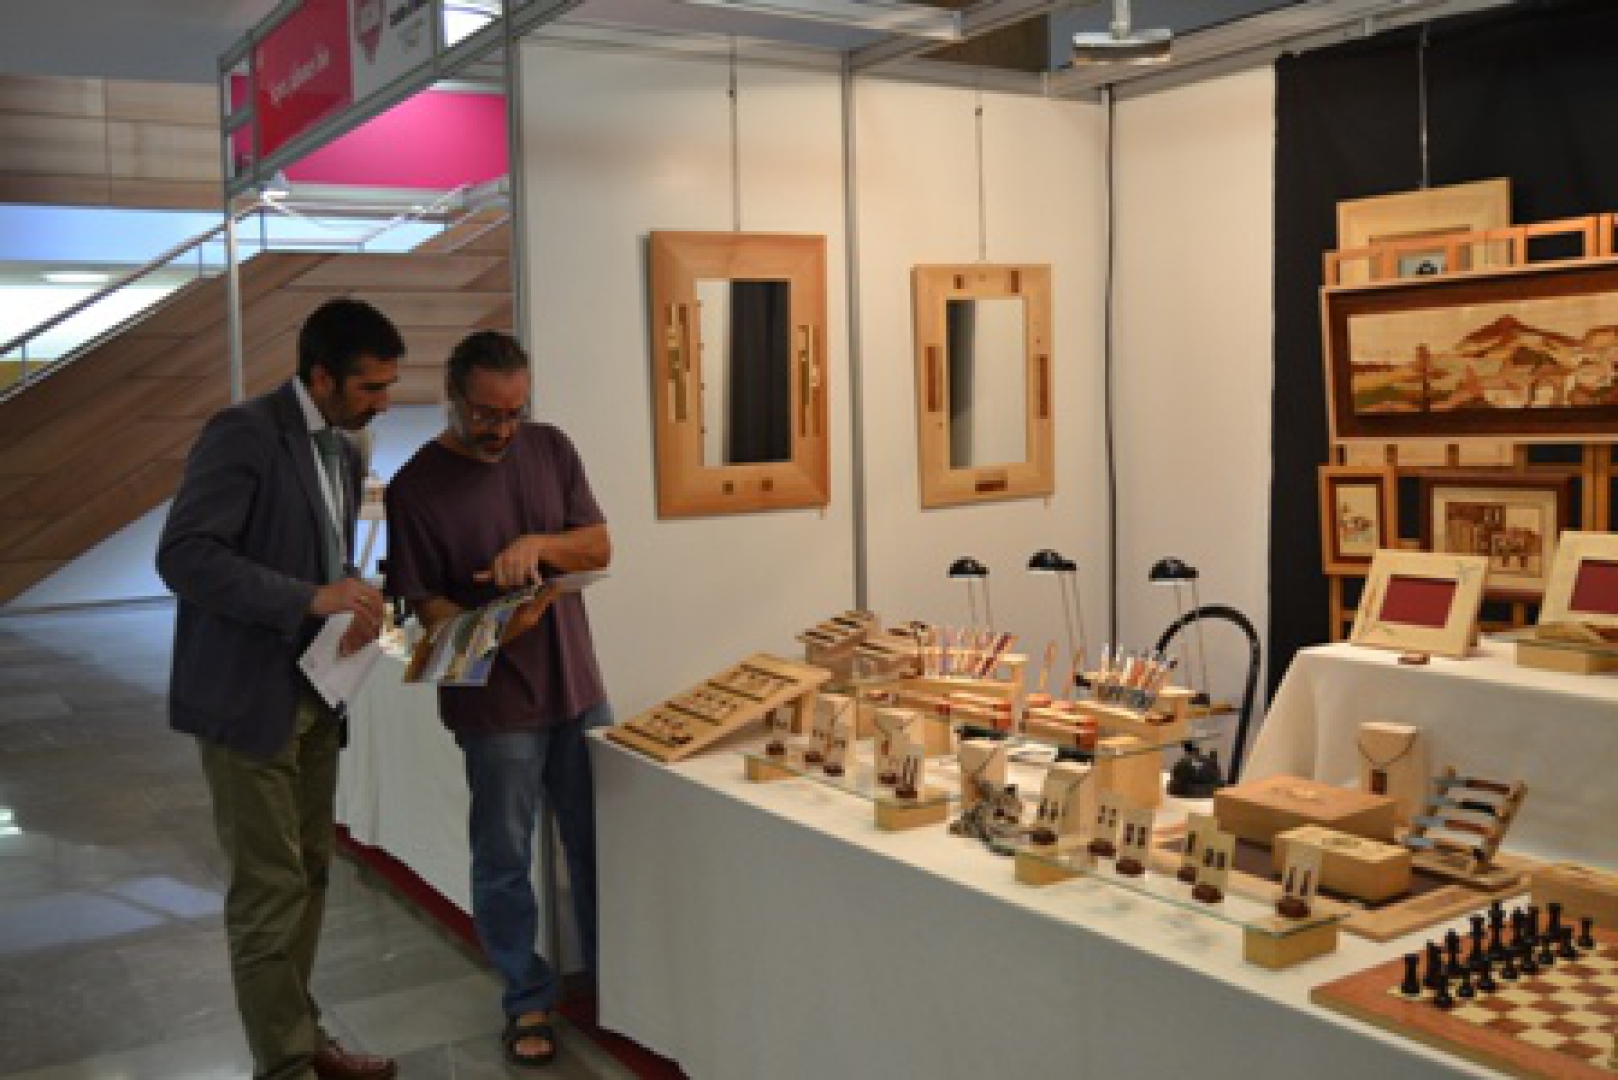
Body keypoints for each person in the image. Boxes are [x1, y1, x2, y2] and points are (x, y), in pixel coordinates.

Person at [157, 298, 404, 1080]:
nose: (384, 402)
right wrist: (309, 597)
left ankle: (300, 1035)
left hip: (317, 692)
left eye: (389, 385)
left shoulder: (346, 447)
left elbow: (322, 554)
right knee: (268, 891)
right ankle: (286, 1065)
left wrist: (351, 596)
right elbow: (185, 556)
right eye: (370, 387)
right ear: (321, 377)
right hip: (246, 698)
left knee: (310, 874)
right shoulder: (243, 433)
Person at [384, 330, 611, 1069]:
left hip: (578, 689)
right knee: (505, 857)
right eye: (486, 414)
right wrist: (500, 625)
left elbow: (599, 545)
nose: (503, 429)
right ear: (452, 398)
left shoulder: (551, 448)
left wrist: (540, 546)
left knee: (598, 845)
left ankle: (613, 983)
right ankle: (525, 998)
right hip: (494, 708)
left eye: (514, 412)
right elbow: (427, 618)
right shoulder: (417, 487)